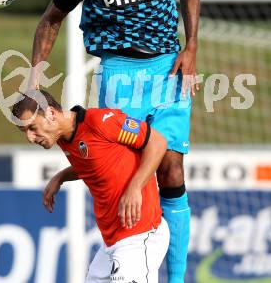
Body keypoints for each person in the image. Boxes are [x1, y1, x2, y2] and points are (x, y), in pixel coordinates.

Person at [29, 0, 200, 282]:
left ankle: (178, 278)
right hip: (119, 71)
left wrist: (192, 46)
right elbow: (50, 19)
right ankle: (123, 254)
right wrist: (34, 77)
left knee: (171, 170)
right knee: (119, 167)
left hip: (169, 65)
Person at [12, 90, 169, 283]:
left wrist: (135, 187)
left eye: (32, 128)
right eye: (25, 132)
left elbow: (157, 142)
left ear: (51, 113)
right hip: (112, 243)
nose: (30, 138)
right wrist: (61, 177)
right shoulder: (63, 138)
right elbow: (95, 161)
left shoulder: (101, 122)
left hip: (140, 234)